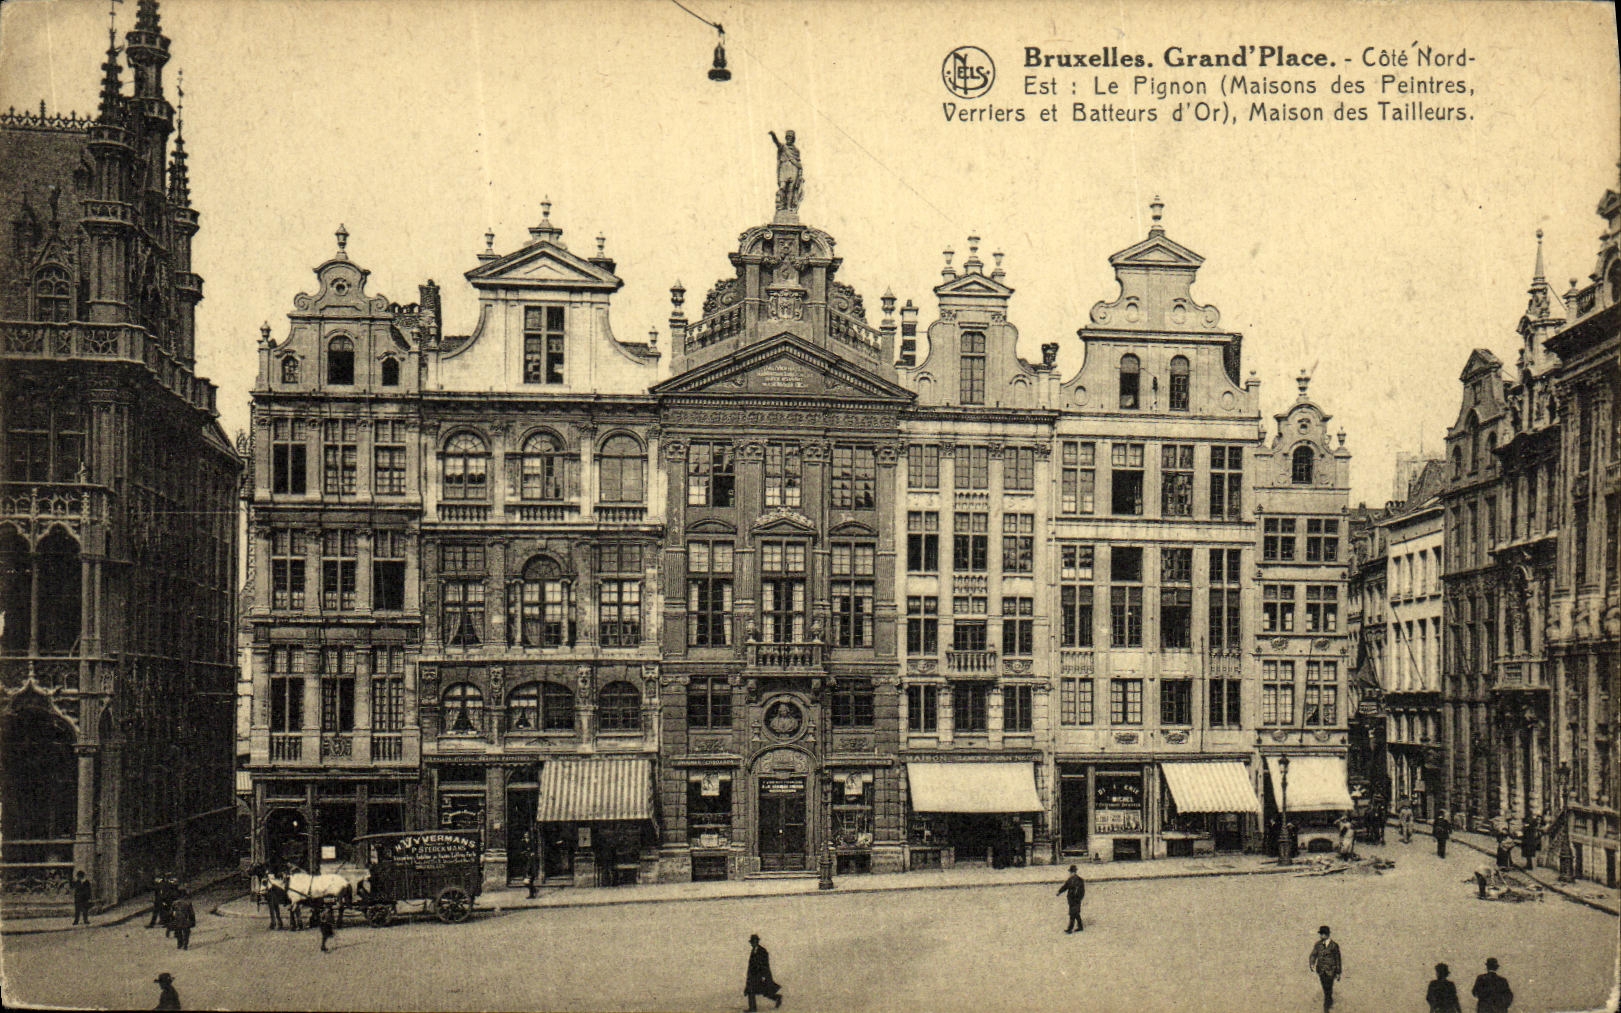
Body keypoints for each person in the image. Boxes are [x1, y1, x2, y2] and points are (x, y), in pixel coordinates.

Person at [744, 933, 782, 1011]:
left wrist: (764, 976)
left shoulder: (762, 951)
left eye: (754, 942)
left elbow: (765, 964)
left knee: (762, 991)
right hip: (754, 975)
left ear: (757, 942)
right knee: (755, 990)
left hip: (761, 975)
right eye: (751, 942)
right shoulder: (753, 951)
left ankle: (753, 1009)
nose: (752, 943)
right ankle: (753, 1008)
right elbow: (751, 965)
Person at [1308, 925, 1342, 1010]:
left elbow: (1338, 959)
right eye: (1320, 934)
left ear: (1327, 935)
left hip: (1331, 970)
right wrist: (1312, 964)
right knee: (1325, 987)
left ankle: (1326, 1005)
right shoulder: (1318, 945)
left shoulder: (1334, 945)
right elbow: (1313, 955)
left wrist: (1338, 972)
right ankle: (1328, 1000)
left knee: (1329, 987)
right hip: (1321, 970)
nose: (1321, 936)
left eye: (1323, 934)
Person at [1056, 864, 1086, 933]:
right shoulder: (1070, 880)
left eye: (1072, 872)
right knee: (1076, 913)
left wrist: (1079, 899)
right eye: (1070, 872)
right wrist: (1059, 892)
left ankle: (1070, 929)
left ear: (1075, 872)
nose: (1071, 873)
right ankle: (1080, 926)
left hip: (1076, 900)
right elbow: (1065, 886)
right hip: (1070, 899)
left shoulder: (1080, 880)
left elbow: (1082, 891)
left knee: (1072, 914)